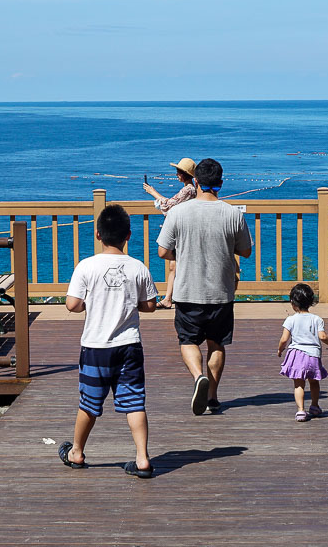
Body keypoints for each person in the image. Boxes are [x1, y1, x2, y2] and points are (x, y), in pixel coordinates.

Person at [59, 204, 159, 478]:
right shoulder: (138, 267)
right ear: (128, 235)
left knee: (89, 402)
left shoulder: (86, 266)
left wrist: (85, 306)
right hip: (129, 345)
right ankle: (142, 458)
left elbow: (72, 304)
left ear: (97, 234)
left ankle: (76, 452)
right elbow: (149, 305)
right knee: (135, 401)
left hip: (95, 347)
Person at [157, 158, 252, 416]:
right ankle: (213, 397)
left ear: (196, 181)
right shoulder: (233, 213)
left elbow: (163, 251)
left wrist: (184, 250)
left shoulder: (178, 213)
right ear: (221, 183)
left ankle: (199, 376)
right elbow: (245, 251)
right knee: (217, 344)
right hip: (221, 292)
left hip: (188, 290)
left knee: (188, 340)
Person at [277, 282, 328, 422]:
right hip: (312, 356)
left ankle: (300, 411)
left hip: (296, 354)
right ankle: (315, 406)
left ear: (292, 303)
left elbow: (284, 339)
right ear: (311, 302)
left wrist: (280, 349)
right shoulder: (316, 319)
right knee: (314, 382)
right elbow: (323, 336)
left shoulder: (290, 320)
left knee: (299, 384)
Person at [143, 157, 198, 306]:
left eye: (178, 172)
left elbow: (169, 206)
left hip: (182, 231)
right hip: (183, 230)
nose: (176, 175)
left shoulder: (189, 189)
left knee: (175, 262)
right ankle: (168, 298)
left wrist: (153, 192)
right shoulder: (190, 189)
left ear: (184, 174)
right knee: (173, 264)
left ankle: (173, 297)